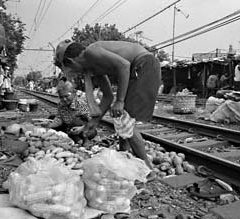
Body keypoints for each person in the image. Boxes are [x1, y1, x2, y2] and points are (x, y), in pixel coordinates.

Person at [55, 39, 161, 174]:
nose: (75, 73)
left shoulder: (92, 52)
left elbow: (124, 65)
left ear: (71, 61)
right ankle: (124, 156)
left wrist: (120, 101)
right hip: (140, 67)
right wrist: (93, 122)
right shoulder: (94, 66)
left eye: (71, 70)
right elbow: (107, 96)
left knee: (125, 120)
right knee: (122, 119)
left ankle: (148, 171)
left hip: (143, 65)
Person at [48, 80, 97, 146]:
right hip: (70, 129)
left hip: (85, 129)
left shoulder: (80, 103)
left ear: (73, 94)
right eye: (61, 97)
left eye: (67, 96)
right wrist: (49, 125)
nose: (64, 99)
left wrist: (82, 128)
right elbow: (59, 118)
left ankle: (85, 140)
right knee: (51, 118)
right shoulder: (60, 105)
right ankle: (76, 139)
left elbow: (92, 121)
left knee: (75, 121)